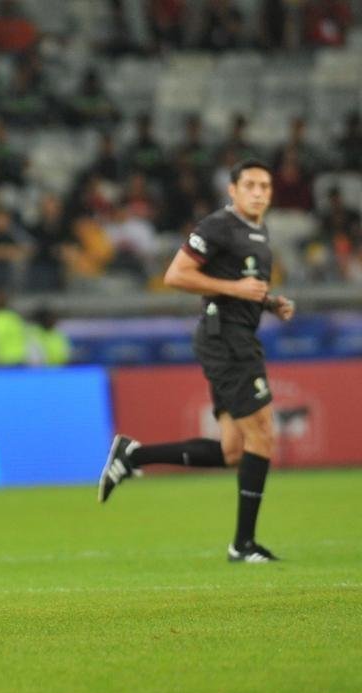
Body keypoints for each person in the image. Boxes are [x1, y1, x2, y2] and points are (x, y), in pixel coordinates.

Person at [98, 159, 295, 563]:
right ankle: (243, 545)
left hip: (236, 335)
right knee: (262, 433)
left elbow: (242, 286)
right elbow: (176, 275)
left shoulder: (258, 232)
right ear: (233, 190)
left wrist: (269, 302)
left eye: (265, 186)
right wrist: (236, 289)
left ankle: (133, 456)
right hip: (227, 340)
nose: (258, 192)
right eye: (250, 185)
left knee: (234, 450)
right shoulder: (218, 226)